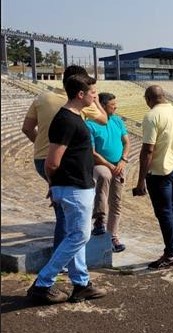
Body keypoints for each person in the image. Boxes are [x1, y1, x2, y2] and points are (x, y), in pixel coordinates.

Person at [27, 74, 107, 304]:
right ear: (80, 95)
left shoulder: (73, 116)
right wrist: (55, 185)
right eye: (92, 93)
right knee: (80, 235)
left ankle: (81, 284)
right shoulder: (66, 120)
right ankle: (43, 284)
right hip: (73, 187)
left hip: (76, 186)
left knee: (76, 236)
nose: (95, 96)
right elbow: (52, 162)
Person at [134, 85, 173, 270]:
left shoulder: (152, 116)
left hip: (160, 172)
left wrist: (141, 180)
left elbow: (148, 149)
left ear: (147, 99)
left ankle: (171, 253)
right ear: (164, 96)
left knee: (165, 212)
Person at [86, 92, 130, 253]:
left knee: (117, 201)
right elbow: (92, 152)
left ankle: (113, 236)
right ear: (102, 106)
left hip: (118, 164)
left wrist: (123, 160)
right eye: (112, 105)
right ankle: (99, 220)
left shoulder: (117, 121)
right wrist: (109, 165)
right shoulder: (90, 124)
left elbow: (126, 142)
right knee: (104, 176)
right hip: (100, 163)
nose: (116, 107)